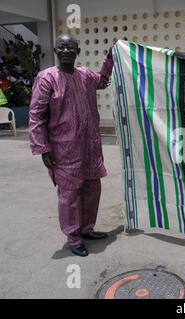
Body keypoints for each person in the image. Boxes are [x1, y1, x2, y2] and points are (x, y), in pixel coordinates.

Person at [29, 34, 114, 257]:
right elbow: (37, 114)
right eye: (61, 47)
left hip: (90, 146)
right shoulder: (47, 78)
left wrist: (111, 58)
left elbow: (103, 81)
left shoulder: (85, 75)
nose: (66, 50)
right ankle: (73, 237)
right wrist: (43, 148)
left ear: (77, 51)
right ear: (56, 51)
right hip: (63, 149)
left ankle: (87, 229)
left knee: (92, 189)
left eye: (70, 47)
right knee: (69, 195)